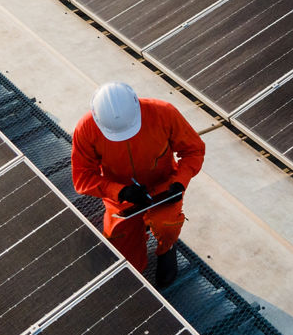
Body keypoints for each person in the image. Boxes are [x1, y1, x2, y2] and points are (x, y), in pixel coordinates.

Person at [72, 82, 204, 288]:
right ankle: (136, 266)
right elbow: (82, 177)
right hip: (123, 198)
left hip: (163, 188)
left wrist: (180, 181)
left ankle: (166, 248)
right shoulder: (86, 129)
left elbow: (193, 150)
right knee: (123, 248)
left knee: (166, 224)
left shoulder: (164, 113)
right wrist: (120, 191)